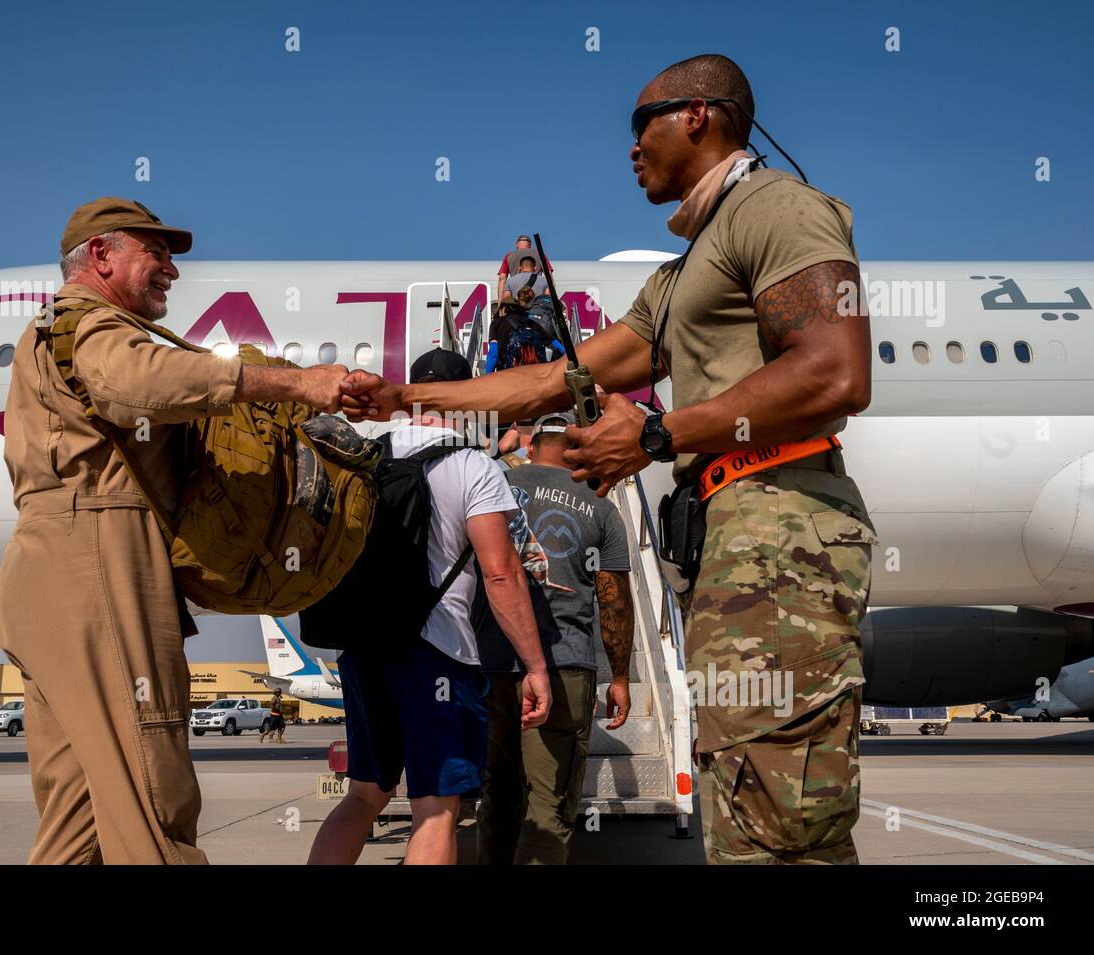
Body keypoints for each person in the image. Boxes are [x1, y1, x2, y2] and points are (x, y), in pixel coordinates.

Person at [342, 53, 877, 865]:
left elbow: (838, 370)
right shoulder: (685, 270)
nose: (630, 149)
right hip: (733, 536)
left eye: (641, 125)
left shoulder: (780, 209)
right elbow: (558, 378)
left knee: (785, 816)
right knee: (748, 801)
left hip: (782, 532)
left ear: (698, 114)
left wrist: (659, 435)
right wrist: (410, 400)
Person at [0, 197, 349, 865]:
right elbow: (138, 382)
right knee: (153, 796)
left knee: (82, 817)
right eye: (155, 253)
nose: (171, 271)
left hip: (46, 570)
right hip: (98, 556)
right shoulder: (89, 325)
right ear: (101, 254)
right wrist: (292, 383)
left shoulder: (52, 329)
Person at [307, 348, 552, 866]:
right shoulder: (472, 465)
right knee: (435, 810)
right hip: (437, 652)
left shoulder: (363, 457)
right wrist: (534, 665)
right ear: (463, 396)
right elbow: (501, 573)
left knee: (364, 797)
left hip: (363, 647)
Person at [477, 413, 635, 864]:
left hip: (490, 664)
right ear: (577, 450)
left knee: (499, 796)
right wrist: (619, 676)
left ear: (531, 446)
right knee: (550, 807)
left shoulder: (490, 488)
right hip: (564, 665)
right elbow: (615, 602)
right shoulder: (600, 505)